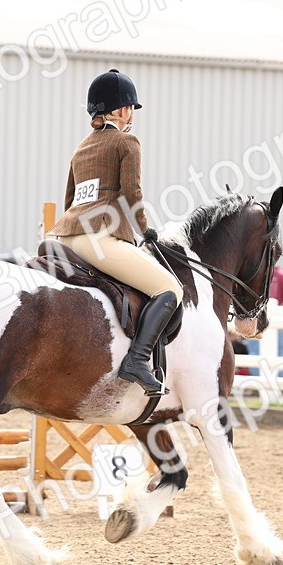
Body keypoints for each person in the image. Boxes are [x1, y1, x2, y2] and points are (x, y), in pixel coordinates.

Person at [48, 69, 183, 395]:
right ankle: (137, 360)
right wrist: (146, 230)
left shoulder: (81, 147)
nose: (132, 114)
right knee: (170, 288)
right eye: (131, 108)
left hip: (64, 238)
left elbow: (70, 199)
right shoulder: (127, 141)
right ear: (123, 110)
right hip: (98, 240)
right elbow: (131, 194)